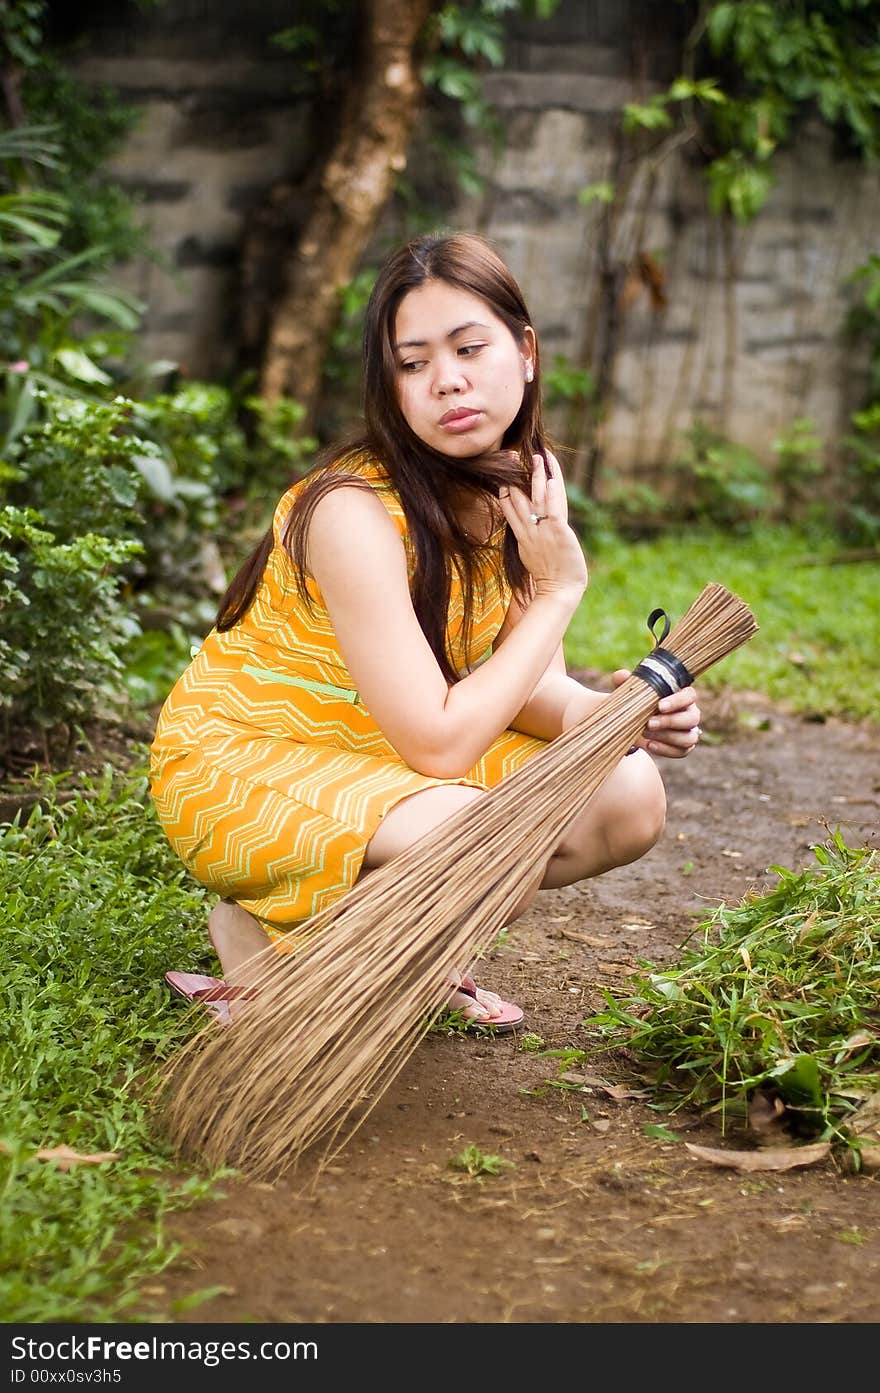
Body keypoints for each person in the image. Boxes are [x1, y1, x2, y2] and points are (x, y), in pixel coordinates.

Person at [150, 231, 701, 1029]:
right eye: (413, 364)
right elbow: (441, 746)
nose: (447, 381)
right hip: (244, 760)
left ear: (527, 352)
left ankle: (385, 948)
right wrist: (558, 590)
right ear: (393, 387)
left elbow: (526, 686)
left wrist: (615, 713)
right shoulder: (351, 511)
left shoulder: (520, 485)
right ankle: (270, 938)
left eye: (470, 348)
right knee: (480, 835)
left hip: (384, 751)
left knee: (626, 796)